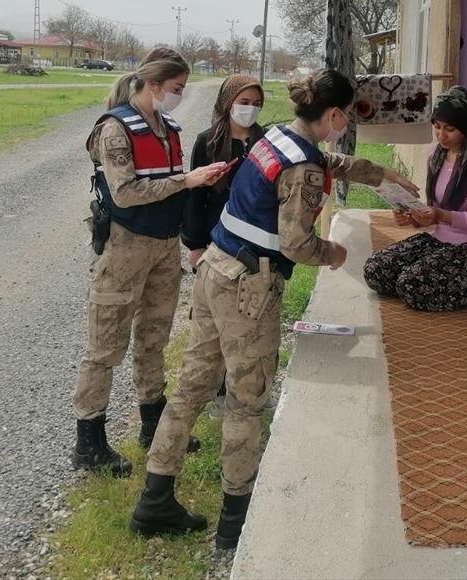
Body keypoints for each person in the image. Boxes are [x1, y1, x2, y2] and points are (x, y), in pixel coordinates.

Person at [130, 69, 417, 549]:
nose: (346, 123)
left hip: (215, 271)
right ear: (334, 113)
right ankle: (235, 520)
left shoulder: (279, 136)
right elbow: (297, 242)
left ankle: (154, 498)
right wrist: (335, 253)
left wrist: (379, 173)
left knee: (192, 387)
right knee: (246, 401)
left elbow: (327, 160)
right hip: (248, 288)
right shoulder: (299, 163)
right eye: (346, 116)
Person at [72, 49, 228, 477]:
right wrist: (187, 179)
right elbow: (125, 194)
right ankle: (89, 441)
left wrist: (196, 184)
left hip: (163, 247)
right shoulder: (115, 129)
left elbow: (167, 184)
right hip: (124, 248)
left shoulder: (168, 127)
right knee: (105, 347)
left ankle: (152, 422)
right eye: (176, 89)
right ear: (154, 85)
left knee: (154, 338)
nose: (179, 96)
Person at [362, 86, 467, 311]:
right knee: (376, 269)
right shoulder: (436, 155)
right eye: (437, 127)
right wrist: (413, 216)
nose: (441, 135)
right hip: (440, 241)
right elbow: (434, 211)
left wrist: (440, 215)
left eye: (450, 129)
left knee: (412, 284)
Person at [181, 74, 266, 270]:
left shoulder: (265, 142)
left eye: (256, 103)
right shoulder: (208, 141)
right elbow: (196, 195)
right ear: (228, 102)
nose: (250, 108)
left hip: (255, 236)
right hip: (216, 234)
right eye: (244, 102)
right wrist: (195, 244)